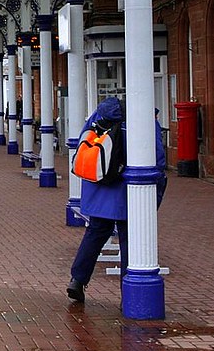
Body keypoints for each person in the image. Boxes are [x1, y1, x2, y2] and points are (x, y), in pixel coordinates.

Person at [66, 96, 167, 303]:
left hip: (99, 184)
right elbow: (157, 156)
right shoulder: (143, 118)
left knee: (95, 233)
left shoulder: (100, 114)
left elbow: (85, 142)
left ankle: (77, 280)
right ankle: (128, 294)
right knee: (129, 239)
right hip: (127, 189)